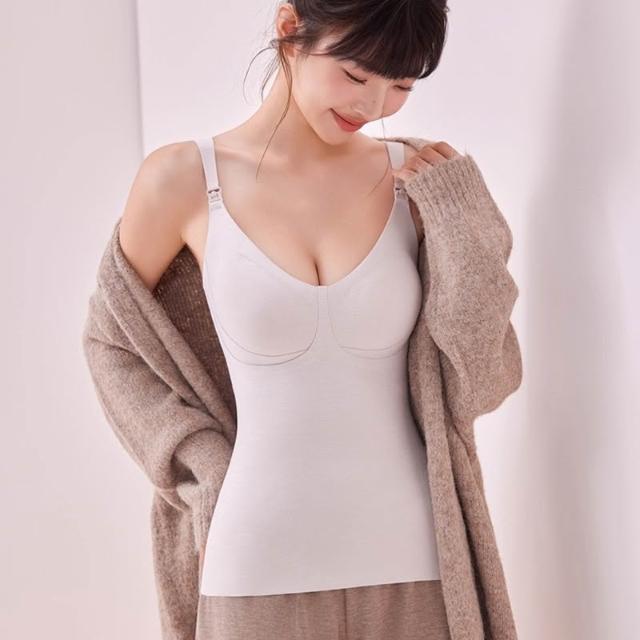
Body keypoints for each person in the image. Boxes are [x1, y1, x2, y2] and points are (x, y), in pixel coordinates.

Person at [88, 1, 521, 638]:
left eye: (401, 85)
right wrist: (198, 464)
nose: (373, 105)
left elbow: (484, 380)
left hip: (417, 559)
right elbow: (111, 343)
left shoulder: (419, 180)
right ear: (290, 29)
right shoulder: (183, 180)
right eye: (356, 73)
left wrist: (461, 224)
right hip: (255, 559)